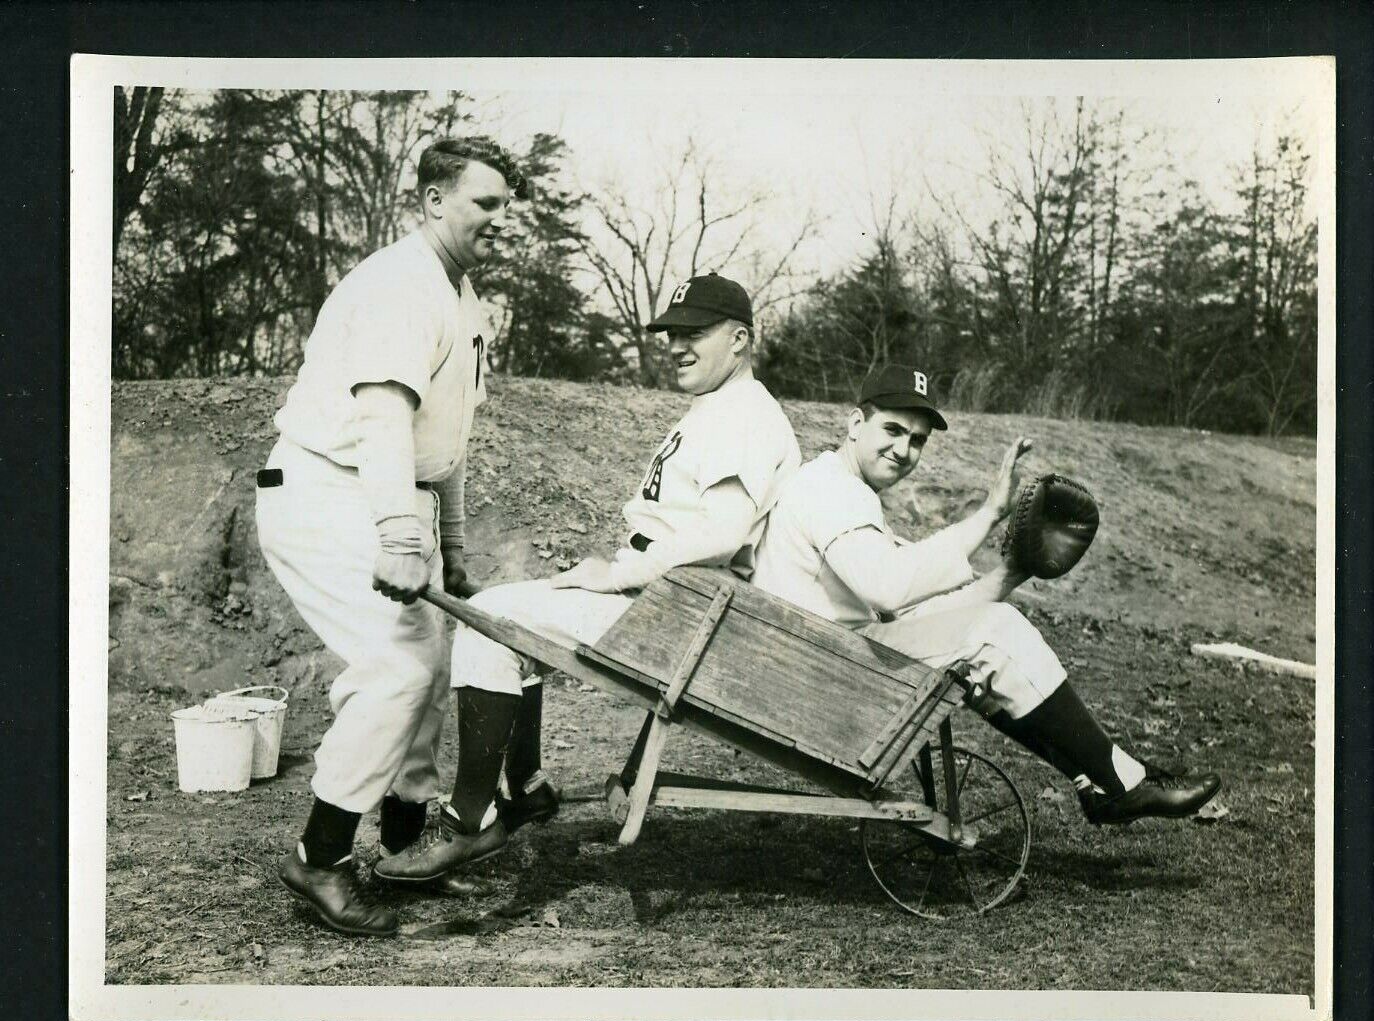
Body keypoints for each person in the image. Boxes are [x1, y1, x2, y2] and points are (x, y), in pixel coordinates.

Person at [374, 273, 802, 888]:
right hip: (668, 598)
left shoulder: (750, 416)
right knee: (501, 617)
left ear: (739, 339)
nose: (678, 346)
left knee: (492, 626)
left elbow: (723, 533)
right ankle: (526, 788)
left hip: (682, 611)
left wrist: (621, 573)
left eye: (695, 334)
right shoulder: (720, 407)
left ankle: (467, 821)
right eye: (672, 334)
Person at [750, 363, 1222, 824]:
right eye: (892, 429)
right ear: (856, 423)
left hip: (825, 660)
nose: (903, 449)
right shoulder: (831, 491)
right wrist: (991, 512)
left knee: (984, 640)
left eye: (917, 440)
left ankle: (1104, 778)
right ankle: (1115, 782)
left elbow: (918, 612)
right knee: (995, 634)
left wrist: (1011, 573)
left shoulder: (840, 489)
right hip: (820, 677)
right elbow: (890, 590)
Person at [256, 136, 527, 937]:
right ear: (434, 200)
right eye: (485, 202)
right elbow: (381, 415)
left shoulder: (462, 294)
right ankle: (320, 854)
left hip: (384, 492)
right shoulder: (401, 284)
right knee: (400, 665)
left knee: (428, 661)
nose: (499, 219)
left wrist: (456, 546)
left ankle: (402, 851)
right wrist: (398, 534)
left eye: (506, 206)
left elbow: (446, 442)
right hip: (326, 488)